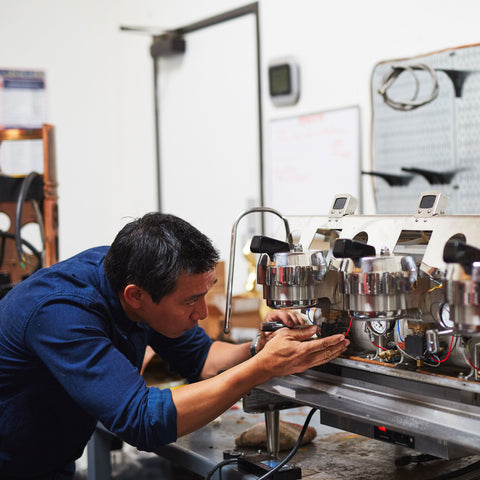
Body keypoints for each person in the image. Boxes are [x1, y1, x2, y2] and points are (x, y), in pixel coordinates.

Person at [0, 212, 349, 479]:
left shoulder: (133, 271)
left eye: (205, 295)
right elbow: (142, 420)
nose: (201, 312)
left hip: (50, 461)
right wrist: (262, 368)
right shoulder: (61, 312)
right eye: (190, 301)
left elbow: (203, 357)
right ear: (135, 296)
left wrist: (258, 348)